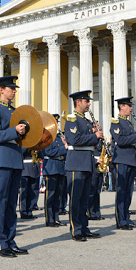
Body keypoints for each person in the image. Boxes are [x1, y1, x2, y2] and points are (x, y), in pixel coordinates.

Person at [0, 76, 29, 257]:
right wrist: (14, 131)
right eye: (11, 88)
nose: (14, 91)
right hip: (0, 159)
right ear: (1, 89)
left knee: (11, 204)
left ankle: (11, 240)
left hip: (14, 159)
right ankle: (1, 243)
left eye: (14, 88)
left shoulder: (16, 111)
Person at [64, 90, 103, 241]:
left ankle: (84, 227)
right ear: (78, 102)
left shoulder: (86, 121)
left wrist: (95, 134)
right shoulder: (72, 119)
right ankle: (76, 230)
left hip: (86, 162)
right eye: (86, 101)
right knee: (75, 198)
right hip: (76, 163)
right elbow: (75, 140)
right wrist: (94, 136)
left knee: (84, 198)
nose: (89, 104)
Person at [110, 96, 136, 230]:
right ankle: (121, 221)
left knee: (129, 192)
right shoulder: (116, 122)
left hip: (130, 160)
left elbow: (129, 139)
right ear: (121, 107)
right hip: (122, 160)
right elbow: (120, 140)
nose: (131, 108)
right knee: (121, 191)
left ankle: (126, 217)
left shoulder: (129, 123)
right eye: (128, 106)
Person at [40, 114, 67, 227]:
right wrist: (63, 148)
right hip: (51, 167)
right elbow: (48, 152)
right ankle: (49, 219)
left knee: (58, 195)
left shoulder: (58, 137)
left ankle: (56, 218)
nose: (56, 125)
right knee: (50, 195)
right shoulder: (45, 137)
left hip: (60, 166)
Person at [88, 137, 105, 221]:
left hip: (100, 166)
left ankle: (97, 212)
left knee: (97, 191)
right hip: (93, 165)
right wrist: (96, 161)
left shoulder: (101, 140)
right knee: (91, 191)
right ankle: (90, 212)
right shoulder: (91, 138)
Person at [20, 149, 40, 219]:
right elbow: (21, 151)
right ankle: (23, 211)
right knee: (24, 192)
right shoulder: (24, 142)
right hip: (25, 168)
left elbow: (42, 155)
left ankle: (29, 211)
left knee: (33, 192)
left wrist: (39, 149)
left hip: (34, 168)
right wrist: (30, 146)